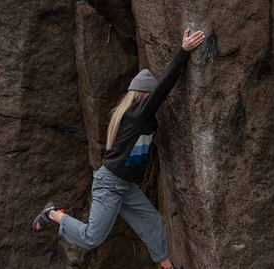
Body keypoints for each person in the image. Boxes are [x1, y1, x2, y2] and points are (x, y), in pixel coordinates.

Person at [32, 28, 205, 269]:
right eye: (152, 95)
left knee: (153, 223)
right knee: (92, 236)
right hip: (110, 184)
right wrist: (183, 52)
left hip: (123, 185)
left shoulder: (133, 117)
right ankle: (52, 213)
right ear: (146, 96)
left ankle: (167, 265)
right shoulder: (138, 115)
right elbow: (165, 87)